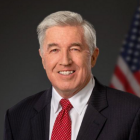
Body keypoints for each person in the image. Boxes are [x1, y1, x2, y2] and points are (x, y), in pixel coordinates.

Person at [4, 11, 140, 140]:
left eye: (75, 49)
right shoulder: (17, 117)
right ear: (43, 58)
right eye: (54, 50)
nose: (65, 61)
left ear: (93, 56)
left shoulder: (132, 113)